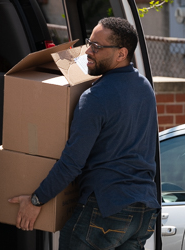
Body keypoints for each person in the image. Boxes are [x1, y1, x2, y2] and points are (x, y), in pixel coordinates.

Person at [8, 17, 160, 250]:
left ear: (121, 54)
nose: (88, 50)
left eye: (97, 47)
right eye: (90, 42)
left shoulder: (95, 98)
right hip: (143, 211)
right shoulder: (144, 87)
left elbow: (72, 162)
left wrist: (37, 200)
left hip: (105, 209)